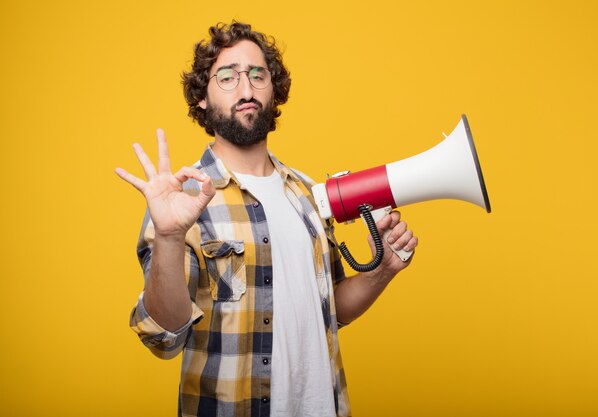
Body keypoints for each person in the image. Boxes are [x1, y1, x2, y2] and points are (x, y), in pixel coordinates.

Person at [115, 21, 417, 417]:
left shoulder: (307, 194)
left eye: (258, 75)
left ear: (273, 90)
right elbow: (164, 339)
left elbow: (332, 309)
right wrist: (170, 237)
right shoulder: (181, 201)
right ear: (202, 97)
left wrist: (383, 271)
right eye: (227, 76)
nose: (246, 89)